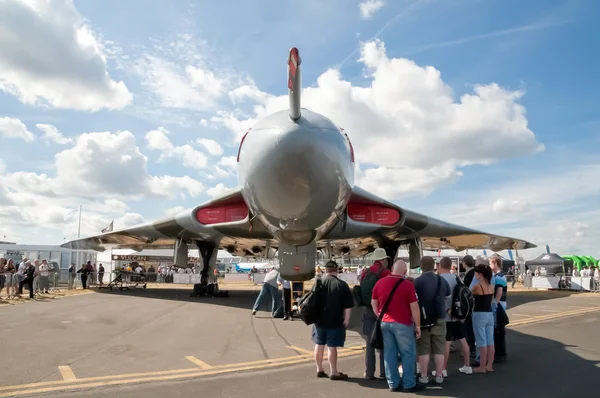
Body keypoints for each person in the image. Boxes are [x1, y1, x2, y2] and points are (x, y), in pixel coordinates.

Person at [371, 258, 424, 392]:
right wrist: (418, 326)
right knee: (408, 353)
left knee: (389, 353)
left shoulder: (380, 283)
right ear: (405, 271)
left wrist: (379, 315)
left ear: (393, 269)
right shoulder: (407, 285)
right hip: (403, 323)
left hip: (385, 323)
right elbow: (414, 307)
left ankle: (393, 383)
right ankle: (409, 383)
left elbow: (373, 302)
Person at [312, 260, 354, 381]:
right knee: (332, 347)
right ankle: (334, 371)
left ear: (326, 270)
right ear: (337, 270)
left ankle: (319, 369)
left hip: (319, 320)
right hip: (335, 320)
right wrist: (346, 320)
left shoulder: (318, 283)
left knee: (319, 344)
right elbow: (348, 306)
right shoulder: (342, 284)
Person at [413, 256, 451, 385]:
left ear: (421, 267)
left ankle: (424, 376)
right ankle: (439, 375)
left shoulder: (417, 282)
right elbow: (447, 294)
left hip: (424, 320)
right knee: (439, 349)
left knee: (423, 349)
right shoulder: (441, 280)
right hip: (440, 318)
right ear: (434, 266)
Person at [359, 248, 391, 380]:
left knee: (369, 342)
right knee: (383, 341)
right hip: (381, 310)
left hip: (367, 309)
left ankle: (369, 372)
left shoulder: (365, 272)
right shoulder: (386, 273)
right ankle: (384, 372)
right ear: (383, 260)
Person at [438, 257, 472, 376]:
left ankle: (443, 369)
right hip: (459, 315)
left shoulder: (440, 279)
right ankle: (467, 366)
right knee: (463, 341)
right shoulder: (457, 278)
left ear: (440, 266)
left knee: (446, 343)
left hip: (446, 315)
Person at [471, 264, 495, 373]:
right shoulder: (491, 286)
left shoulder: (477, 287)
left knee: (482, 341)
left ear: (480, 274)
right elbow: (491, 300)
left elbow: (469, 297)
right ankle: (489, 365)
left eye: (476, 273)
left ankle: (481, 366)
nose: (475, 275)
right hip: (489, 314)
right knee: (490, 341)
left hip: (479, 314)